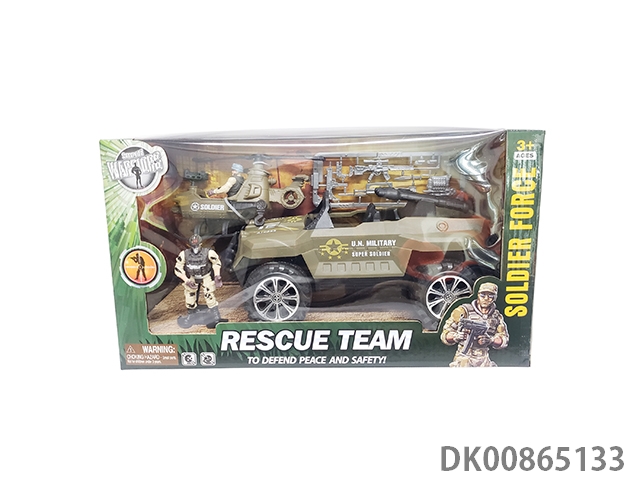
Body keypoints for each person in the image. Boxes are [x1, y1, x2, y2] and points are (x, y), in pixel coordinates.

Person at [440, 282, 508, 367]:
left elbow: (504, 339)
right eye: (483, 295)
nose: (486, 298)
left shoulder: (496, 316)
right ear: (478, 295)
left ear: (495, 297)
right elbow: (445, 334)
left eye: (490, 296)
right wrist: (455, 336)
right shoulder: (463, 311)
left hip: (483, 358)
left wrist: (491, 340)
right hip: (464, 356)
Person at [174, 234, 226, 329]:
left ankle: (216, 317)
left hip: (205, 276)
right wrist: (186, 280)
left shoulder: (209, 253)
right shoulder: (184, 254)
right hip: (192, 277)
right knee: (190, 295)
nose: (195, 246)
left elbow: (216, 263)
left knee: (209, 294)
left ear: (201, 244)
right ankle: (191, 316)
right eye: (193, 244)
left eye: (197, 244)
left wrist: (217, 276)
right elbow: (178, 268)